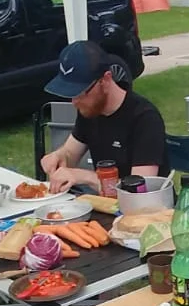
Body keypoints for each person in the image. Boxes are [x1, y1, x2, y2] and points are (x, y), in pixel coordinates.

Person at [39, 40, 167, 193]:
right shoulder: (91, 109)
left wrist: (85, 177)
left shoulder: (145, 118)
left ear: (105, 80)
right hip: (107, 205)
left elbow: (139, 190)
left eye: (81, 93)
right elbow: (70, 153)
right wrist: (59, 157)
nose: (74, 102)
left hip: (146, 211)